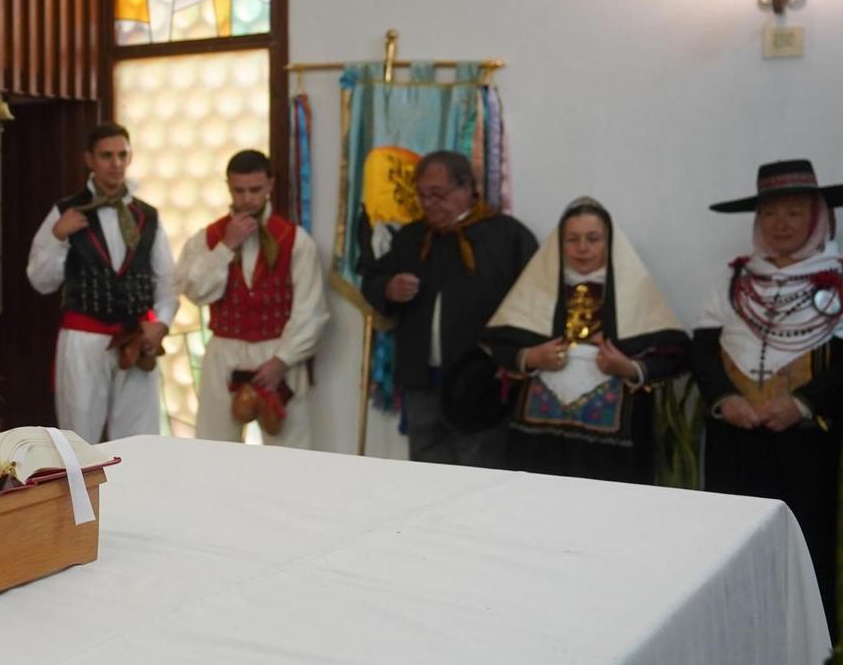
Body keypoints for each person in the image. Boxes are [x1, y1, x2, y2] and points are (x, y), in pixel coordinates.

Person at [692, 160, 843, 638]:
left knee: (806, 543)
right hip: (734, 436)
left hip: (805, 442)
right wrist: (724, 399)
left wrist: (803, 402)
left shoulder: (837, 280)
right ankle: (729, 636)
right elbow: (702, 348)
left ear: (817, 218)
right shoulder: (734, 279)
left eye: (794, 213)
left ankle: (807, 649)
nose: (781, 225)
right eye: (772, 214)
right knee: (728, 540)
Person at [480, 197, 688, 483]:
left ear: (609, 243)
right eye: (572, 239)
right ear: (559, 244)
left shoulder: (633, 291)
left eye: (593, 239)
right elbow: (499, 343)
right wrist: (530, 358)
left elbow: (673, 353)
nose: (582, 248)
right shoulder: (536, 289)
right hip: (540, 436)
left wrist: (630, 368)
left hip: (613, 440)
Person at [360, 149, 536, 467]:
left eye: (437, 195)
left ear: (466, 188)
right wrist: (388, 288)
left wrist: (510, 359)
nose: (428, 204)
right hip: (421, 382)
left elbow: (534, 304)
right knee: (425, 472)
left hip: (480, 383)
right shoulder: (413, 238)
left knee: (478, 476)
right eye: (423, 195)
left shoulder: (506, 237)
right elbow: (372, 280)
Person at [24, 123, 176, 443]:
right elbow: (41, 281)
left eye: (122, 155)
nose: (116, 163)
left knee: (141, 437)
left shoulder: (147, 217)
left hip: (135, 340)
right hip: (83, 339)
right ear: (89, 160)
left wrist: (160, 324)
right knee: (79, 436)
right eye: (107, 156)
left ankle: (135, 492)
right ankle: (83, 493)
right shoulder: (65, 212)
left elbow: (166, 282)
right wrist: (58, 235)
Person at [174, 150, 328, 447]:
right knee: (213, 447)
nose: (247, 199)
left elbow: (311, 310)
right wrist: (226, 246)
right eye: (239, 191)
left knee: (290, 452)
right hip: (224, 354)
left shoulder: (295, 241)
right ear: (228, 187)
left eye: (255, 190)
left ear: (270, 186)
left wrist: (282, 360)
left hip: (278, 352)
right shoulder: (209, 238)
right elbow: (195, 291)